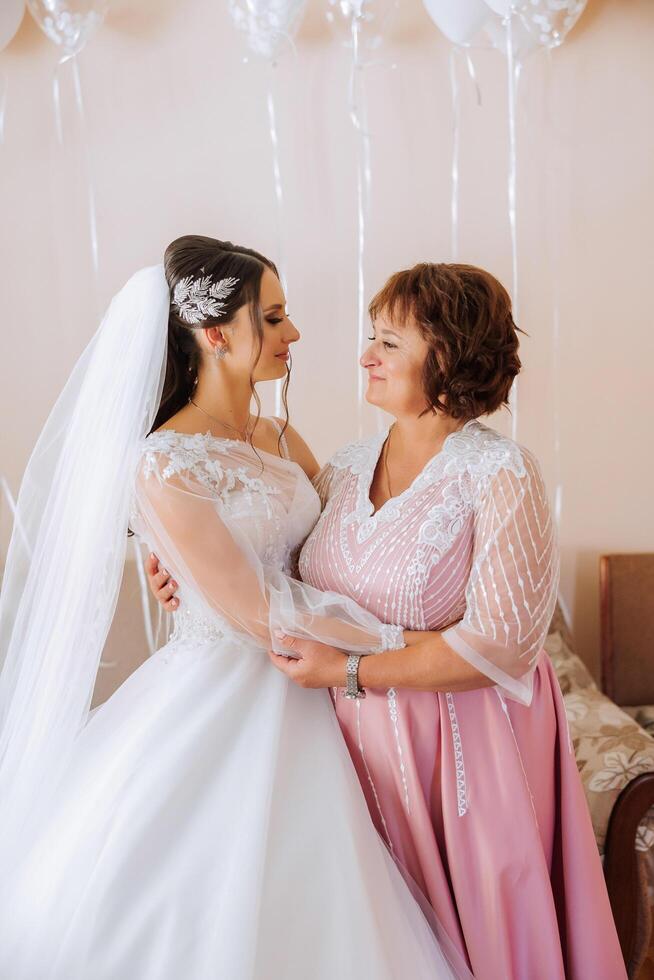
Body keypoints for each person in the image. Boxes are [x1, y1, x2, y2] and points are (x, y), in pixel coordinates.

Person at [0, 238, 468, 980]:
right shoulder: (161, 460)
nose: (295, 335)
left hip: (325, 682)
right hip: (232, 687)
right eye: (274, 317)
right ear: (216, 334)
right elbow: (260, 611)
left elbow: (338, 547)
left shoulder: (278, 436)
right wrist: (409, 639)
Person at [152, 261, 627, 979]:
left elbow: (504, 643)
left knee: (476, 933)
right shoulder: (342, 466)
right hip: (347, 745)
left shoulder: (502, 474)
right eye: (370, 338)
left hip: (465, 749)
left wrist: (349, 669)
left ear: (449, 354)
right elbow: (280, 565)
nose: (365, 355)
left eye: (390, 343)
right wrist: (185, 577)